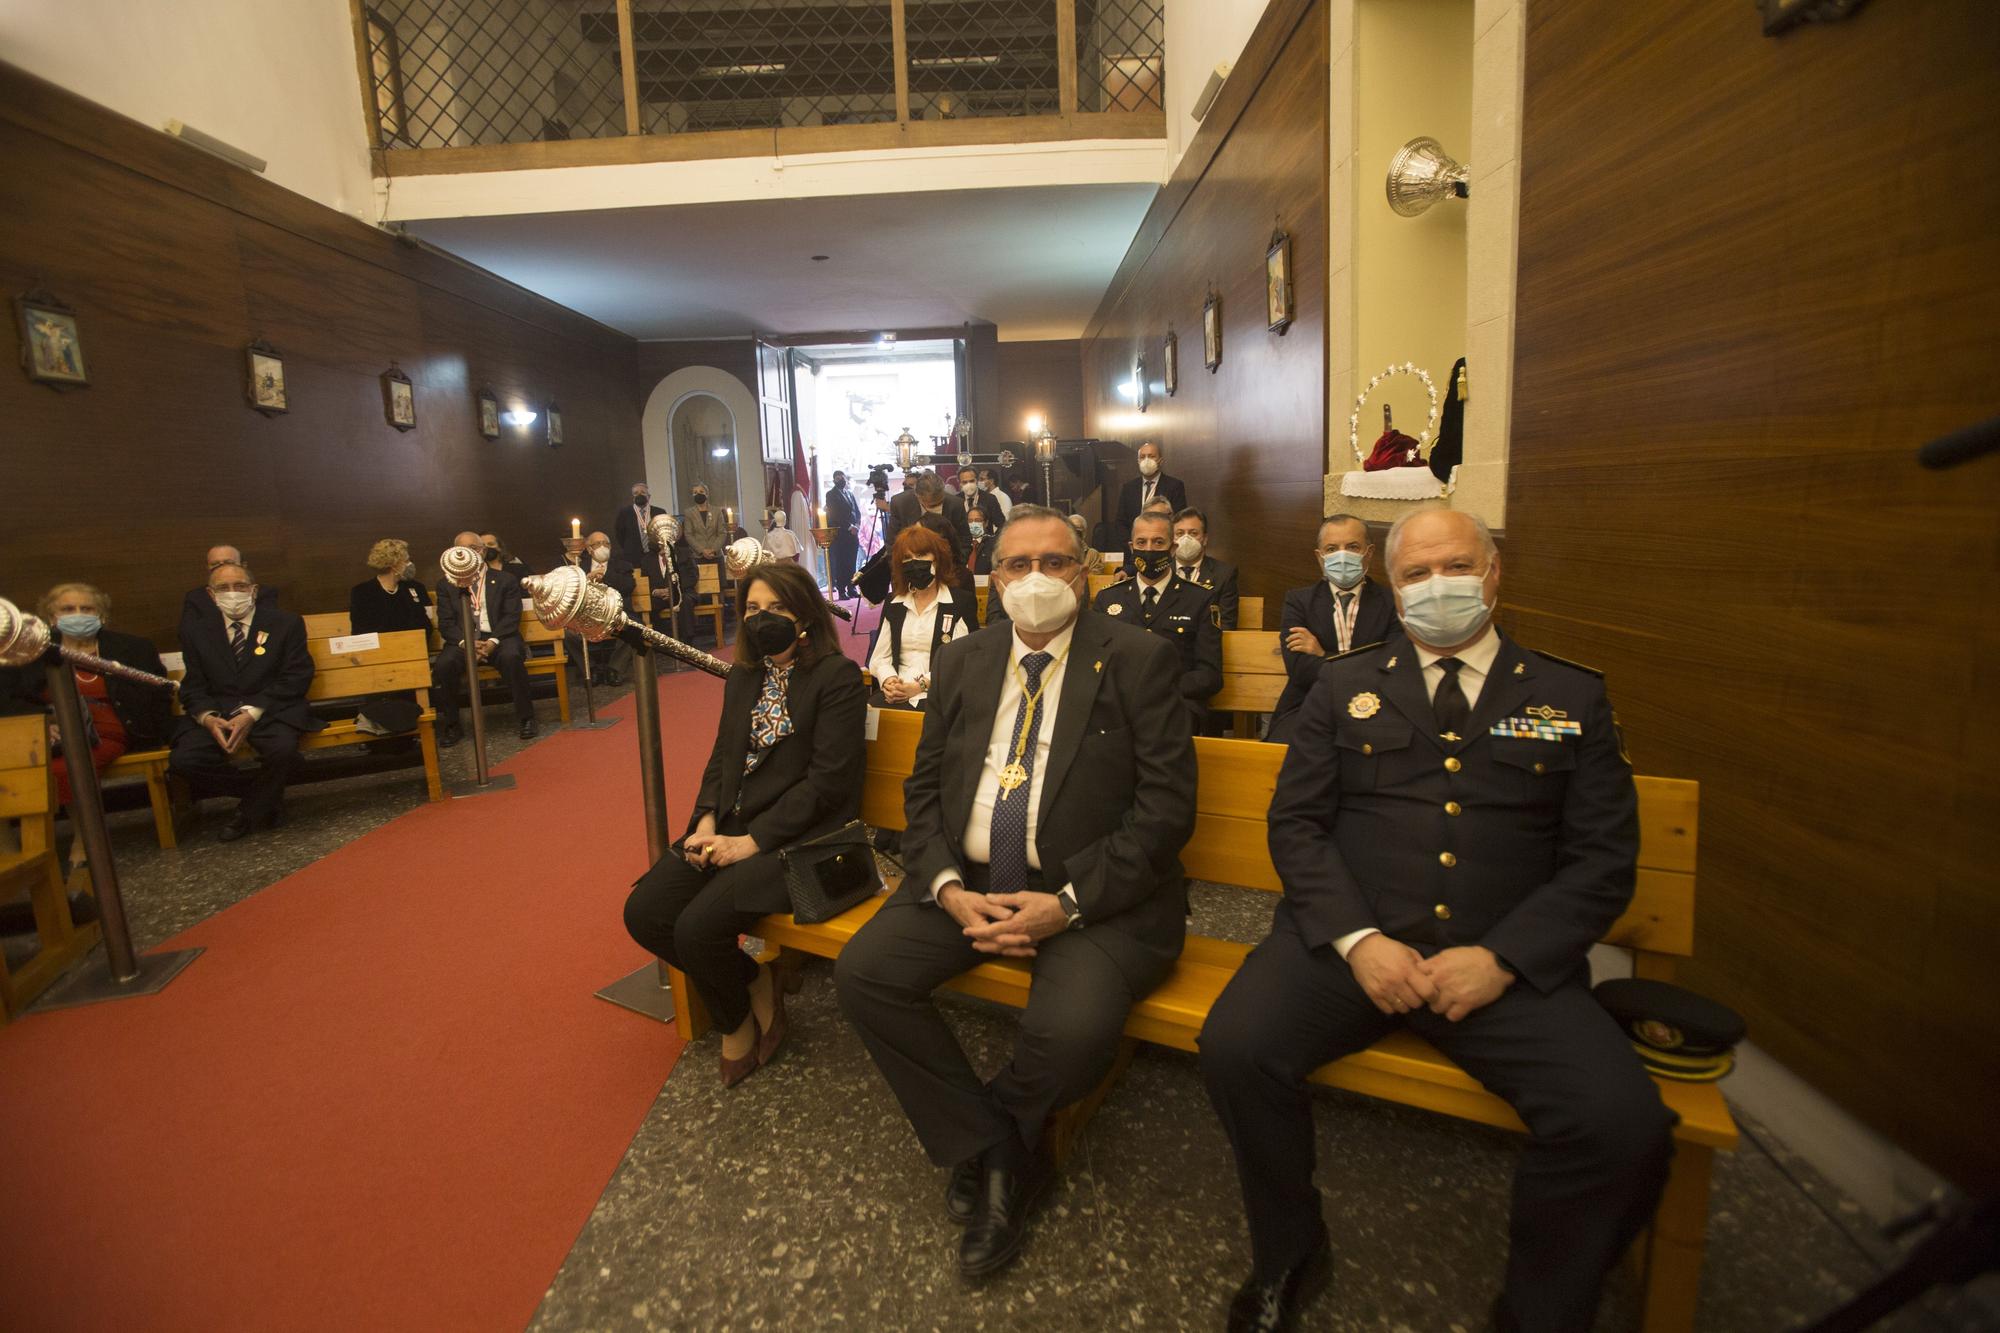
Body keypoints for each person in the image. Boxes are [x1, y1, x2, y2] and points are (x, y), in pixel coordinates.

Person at [1198, 508, 1671, 1333]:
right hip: (1353, 948)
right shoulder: (1346, 684)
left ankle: (1540, 1309)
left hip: (1504, 967)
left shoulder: (1568, 695)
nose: (1435, 586)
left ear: (1493, 575)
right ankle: (1289, 1249)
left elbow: (1602, 860)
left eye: (1455, 565)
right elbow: (1297, 825)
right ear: (1395, 585)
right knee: (1237, 1044)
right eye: (1414, 574)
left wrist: (1504, 958)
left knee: (1623, 1124)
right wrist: (1359, 939)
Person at [835, 505, 1196, 1281]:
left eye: (1056, 562)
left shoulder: (1138, 658)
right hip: (967, 882)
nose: (1036, 579)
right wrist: (944, 886)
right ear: (993, 578)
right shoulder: (966, 660)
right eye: (1017, 565)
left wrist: (1065, 903)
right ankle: (999, 1145)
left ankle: (996, 1138)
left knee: (1070, 1033)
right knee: (865, 974)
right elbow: (924, 788)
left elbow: (1166, 813)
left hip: (1096, 896)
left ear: (1087, 572)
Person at [623, 562, 864, 1086]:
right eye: (753, 609)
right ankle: (754, 982)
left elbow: (828, 784)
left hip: (803, 838)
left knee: (697, 928)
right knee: (645, 912)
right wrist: (705, 820)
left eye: (777, 608)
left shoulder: (836, 677)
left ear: (804, 613)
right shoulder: (744, 675)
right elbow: (723, 755)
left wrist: (751, 841)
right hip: (732, 824)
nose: (762, 620)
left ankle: (734, 1023)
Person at [0, 583, 170, 870]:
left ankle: (85, 839)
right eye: (68, 609)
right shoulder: (29, 651)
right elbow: (7, 698)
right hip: (47, 727)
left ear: (101, 615)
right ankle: (8, 850)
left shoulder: (131, 648)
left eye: (86, 609)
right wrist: (43, 721)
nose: (78, 615)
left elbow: (155, 695)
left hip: (106, 727)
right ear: (51, 617)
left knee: (67, 767)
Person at [168, 562, 321, 842]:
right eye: (223, 588)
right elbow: (193, 686)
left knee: (283, 751)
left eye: (240, 586)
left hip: (271, 709)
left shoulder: (285, 624)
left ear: (254, 590)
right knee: (183, 760)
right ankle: (263, 797)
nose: (233, 593)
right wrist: (208, 717)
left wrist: (251, 713)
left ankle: (247, 814)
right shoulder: (196, 632)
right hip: (220, 714)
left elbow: (296, 676)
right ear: (211, 595)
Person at [1268, 514, 1402, 745]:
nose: (1342, 555)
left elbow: (1390, 669)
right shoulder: (1298, 601)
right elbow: (1299, 670)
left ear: (1368, 552)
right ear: (1320, 557)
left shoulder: (1393, 603)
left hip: (1376, 704)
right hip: (1307, 703)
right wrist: (1360, 663)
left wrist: (1322, 655)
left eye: (1352, 547)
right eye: (1331, 549)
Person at [1094, 512, 1221, 732]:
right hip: (1119, 705)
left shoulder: (1200, 599)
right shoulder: (1109, 598)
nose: (1150, 549)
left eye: (1158, 542)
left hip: (1175, 703)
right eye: (1142, 542)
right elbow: (1096, 663)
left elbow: (1209, 675)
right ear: (1132, 548)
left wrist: (1158, 689)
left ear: (1173, 549)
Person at [432, 530, 537, 744]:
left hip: (500, 637)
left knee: (512, 657)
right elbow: (446, 623)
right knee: (444, 665)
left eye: (473, 549)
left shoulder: (505, 580)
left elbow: (511, 616)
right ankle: (452, 724)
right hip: (463, 641)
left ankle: (527, 718)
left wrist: (492, 642)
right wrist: (467, 642)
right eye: (461, 550)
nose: (467, 555)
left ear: (482, 551)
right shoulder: (447, 584)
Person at [866, 524, 977, 710]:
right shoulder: (894, 603)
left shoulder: (960, 602)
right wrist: (889, 680)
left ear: (937, 560)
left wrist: (919, 686)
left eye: (921, 556)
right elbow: (880, 657)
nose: (914, 563)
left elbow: (960, 661)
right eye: (907, 558)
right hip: (895, 691)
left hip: (940, 692)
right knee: (866, 718)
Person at [178, 544, 279, 639]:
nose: (222, 567)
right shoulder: (196, 597)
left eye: (228, 562)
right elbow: (189, 633)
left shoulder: (263, 593)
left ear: (243, 565)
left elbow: (271, 627)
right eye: (215, 564)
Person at [572, 530, 634, 683]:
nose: (603, 547)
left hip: (616, 612)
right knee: (569, 635)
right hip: (587, 614)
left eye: (606, 544)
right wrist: (586, 580)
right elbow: (573, 592)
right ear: (589, 548)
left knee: (634, 628)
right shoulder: (578, 567)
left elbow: (628, 586)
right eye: (598, 544)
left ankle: (615, 669)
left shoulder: (622, 565)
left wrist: (605, 574)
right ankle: (590, 670)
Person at [1169, 507, 1240, 629]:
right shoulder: (1161, 570)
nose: (1186, 539)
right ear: (1172, 539)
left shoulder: (1224, 575)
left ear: (1205, 539)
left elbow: (1226, 625)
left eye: (1193, 533)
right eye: (1180, 533)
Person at [885, 471, 972, 565]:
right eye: (930, 505)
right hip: (910, 566)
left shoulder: (956, 504)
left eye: (938, 504)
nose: (934, 508)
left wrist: (957, 565)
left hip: (947, 566)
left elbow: (964, 540)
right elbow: (892, 543)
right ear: (918, 496)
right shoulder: (900, 503)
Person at [348, 539, 432, 636]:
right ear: (394, 565)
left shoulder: (416, 588)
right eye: (406, 561)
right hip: (382, 649)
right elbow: (361, 631)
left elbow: (426, 627)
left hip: (413, 646)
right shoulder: (362, 592)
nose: (410, 564)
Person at [1113, 441, 1188, 537]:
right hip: (1134, 546)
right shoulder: (1128, 488)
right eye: (1142, 457)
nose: (1146, 460)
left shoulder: (1175, 486)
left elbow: (1179, 520)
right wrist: (1132, 546)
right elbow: (1121, 522)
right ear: (1138, 461)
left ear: (1161, 460)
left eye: (1151, 456)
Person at [826, 470, 862, 597]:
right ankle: (841, 590)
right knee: (841, 562)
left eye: (842, 477)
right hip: (841, 533)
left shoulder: (849, 494)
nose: (840, 480)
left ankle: (852, 587)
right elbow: (835, 514)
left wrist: (857, 525)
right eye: (837, 478)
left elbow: (857, 511)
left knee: (852, 561)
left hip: (853, 534)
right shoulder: (831, 495)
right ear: (834, 480)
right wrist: (849, 526)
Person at [613, 481, 666, 566]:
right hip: (633, 556)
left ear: (649, 496)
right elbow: (620, 535)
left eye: (643, 492)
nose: (639, 495)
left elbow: (664, 533)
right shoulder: (624, 513)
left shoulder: (659, 512)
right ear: (632, 497)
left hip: (656, 555)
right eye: (636, 493)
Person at [682, 485, 728, 563]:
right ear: (693, 495)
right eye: (695, 492)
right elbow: (688, 535)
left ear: (707, 494)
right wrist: (702, 550)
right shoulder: (688, 513)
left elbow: (722, 533)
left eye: (701, 492)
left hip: (716, 555)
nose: (698, 494)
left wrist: (713, 550)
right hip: (698, 557)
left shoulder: (717, 511)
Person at [964, 500, 997, 577]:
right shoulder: (962, 544)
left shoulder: (994, 545)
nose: (973, 524)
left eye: (978, 520)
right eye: (970, 521)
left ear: (986, 523)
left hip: (985, 586)